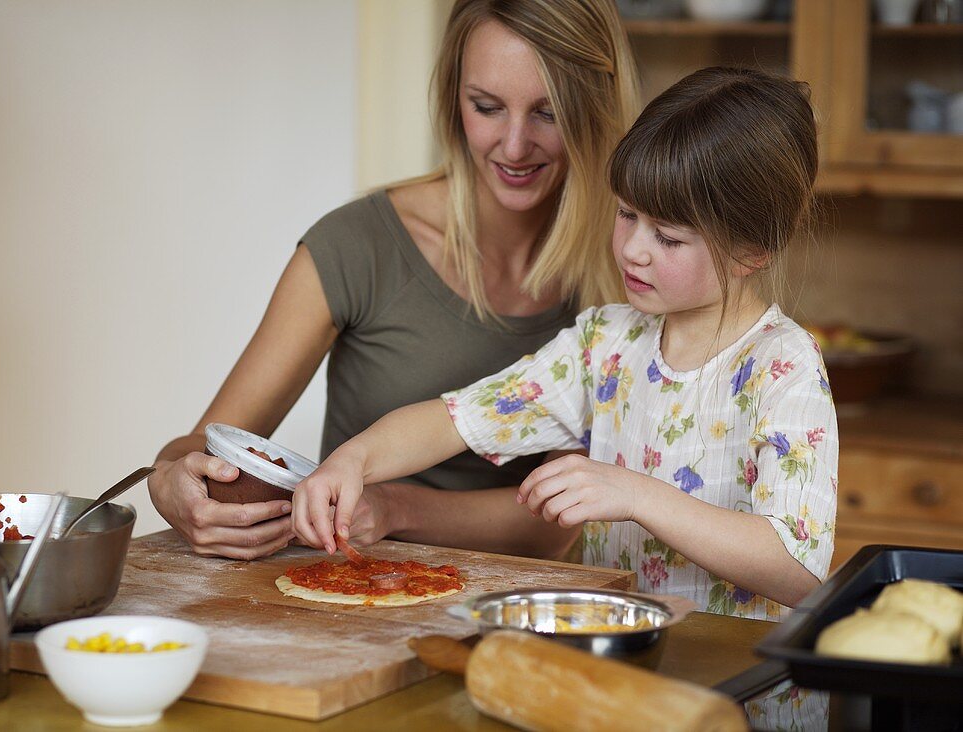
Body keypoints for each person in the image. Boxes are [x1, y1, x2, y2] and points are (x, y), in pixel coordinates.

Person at [293, 66, 838, 620]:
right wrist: (353, 459)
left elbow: (799, 569)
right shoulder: (605, 343)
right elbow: (454, 419)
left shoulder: (782, 365)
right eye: (627, 215)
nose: (633, 250)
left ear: (753, 251)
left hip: (737, 691)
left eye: (668, 237)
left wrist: (636, 495)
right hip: (625, 674)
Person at [148, 0, 641, 560]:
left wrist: (393, 508)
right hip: (348, 588)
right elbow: (205, 443)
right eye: (486, 106)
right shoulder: (358, 246)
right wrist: (168, 484)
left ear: (595, 107)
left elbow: (552, 524)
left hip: (522, 607)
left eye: (547, 113)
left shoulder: (634, 266)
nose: (513, 145)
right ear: (453, 98)